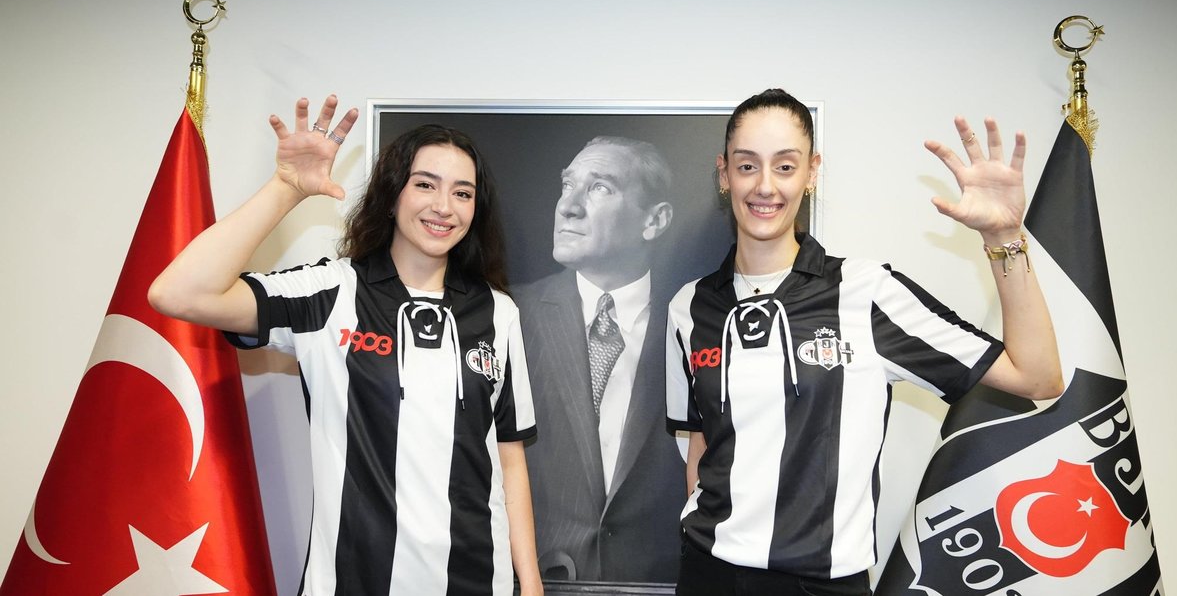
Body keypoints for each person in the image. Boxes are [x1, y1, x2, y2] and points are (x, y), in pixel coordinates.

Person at [666, 89, 1063, 596]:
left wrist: (1003, 237)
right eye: (747, 166)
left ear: (812, 172)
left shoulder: (867, 292)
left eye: (785, 166)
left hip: (823, 585)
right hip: (709, 577)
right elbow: (701, 445)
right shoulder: (688, 307)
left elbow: (1038, 376)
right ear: (724, 174)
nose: (765, 185)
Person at [149, 95, 543, 596]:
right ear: (392, 194)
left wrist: (530, 582)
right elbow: (177, 293)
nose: (444, 206)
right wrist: (285, 189)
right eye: (425, 184)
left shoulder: (498, 312)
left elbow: (509, 458)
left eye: (462, 193)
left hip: (477, 582)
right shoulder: (331, 291)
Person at [514, 136, 685, 582]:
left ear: (655, 220)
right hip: (534, 583)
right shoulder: (510, 315)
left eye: (600, 188)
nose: (568, 207)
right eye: (567, 185)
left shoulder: (691, 322)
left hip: (659, 584)